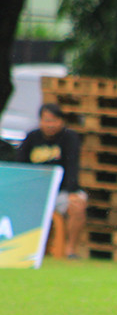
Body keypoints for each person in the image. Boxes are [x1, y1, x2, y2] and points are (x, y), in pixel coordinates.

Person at [16, 104, 86, 258]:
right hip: (34, 193)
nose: (50, 125)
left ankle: (70, 250)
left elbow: (73, 166)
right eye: (46, 121)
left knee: (78, 205)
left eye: (54, 121)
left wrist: (72, 192)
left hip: (60, 191)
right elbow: (20, 166)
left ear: (61, 121)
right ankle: (23, 248)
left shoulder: (69, 138)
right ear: (40, 121)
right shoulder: (31, 138)